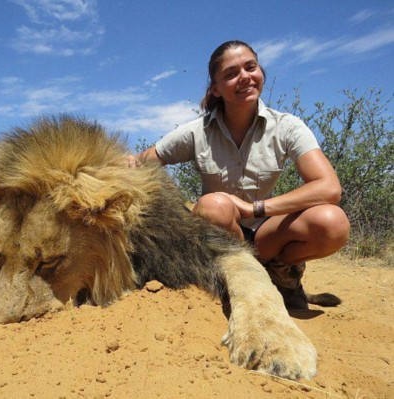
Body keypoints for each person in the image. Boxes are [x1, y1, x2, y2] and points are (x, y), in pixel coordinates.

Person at [128, 40, 350, 309]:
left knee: (332, 222)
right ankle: (236, 277)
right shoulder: (196, 131)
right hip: (221, 233)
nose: (244, 77)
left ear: (261, 73)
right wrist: (123, 161)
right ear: (216, 89)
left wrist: (254, 208)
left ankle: (282, 272)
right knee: (214, 206)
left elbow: (329, 188)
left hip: (268, 234)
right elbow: (144, 162)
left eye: (250, 67)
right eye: (231, 74)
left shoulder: (288, 126)